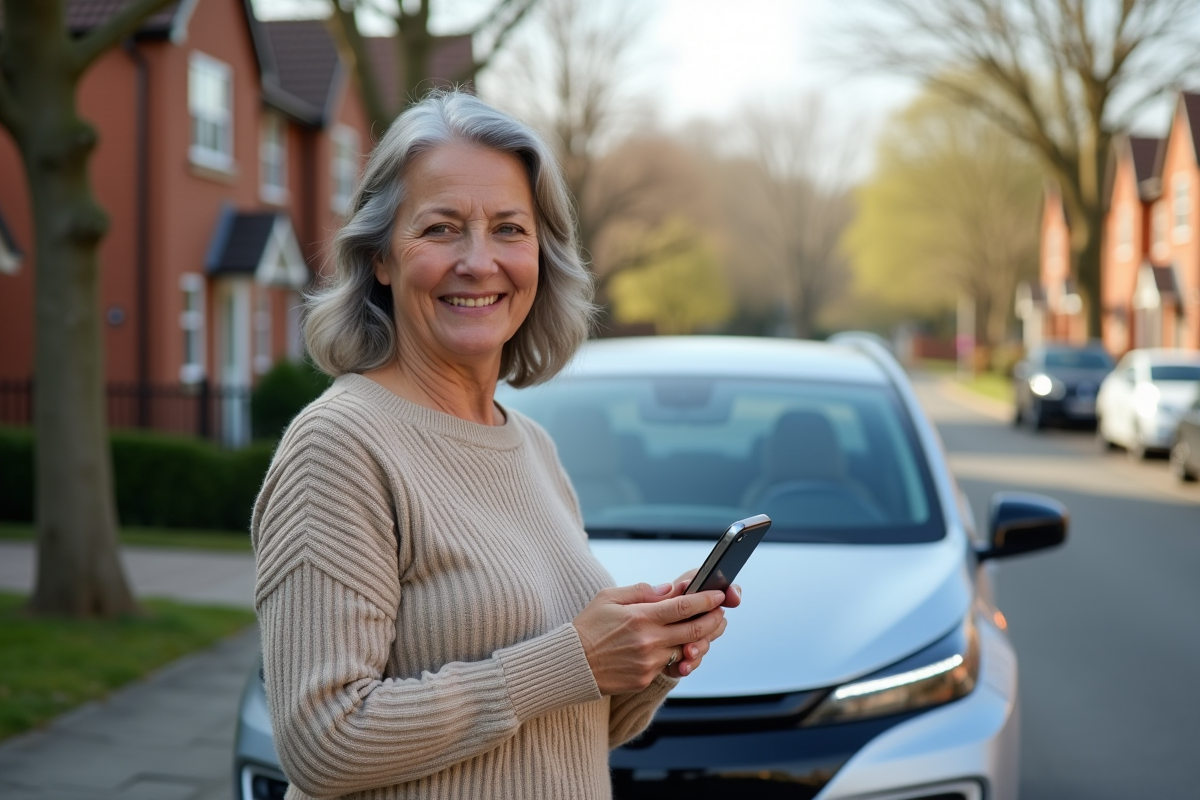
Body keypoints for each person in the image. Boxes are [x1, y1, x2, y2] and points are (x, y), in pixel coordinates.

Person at [251, 91, 740, 800]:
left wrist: (649, 658)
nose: (479, 262)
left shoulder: (532, 448)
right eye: (442, 229)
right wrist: (571, 657)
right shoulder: (339, 446)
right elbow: (322, 742)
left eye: (509, 228)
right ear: (382, 258)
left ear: (541, 254)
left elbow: (562, 723)